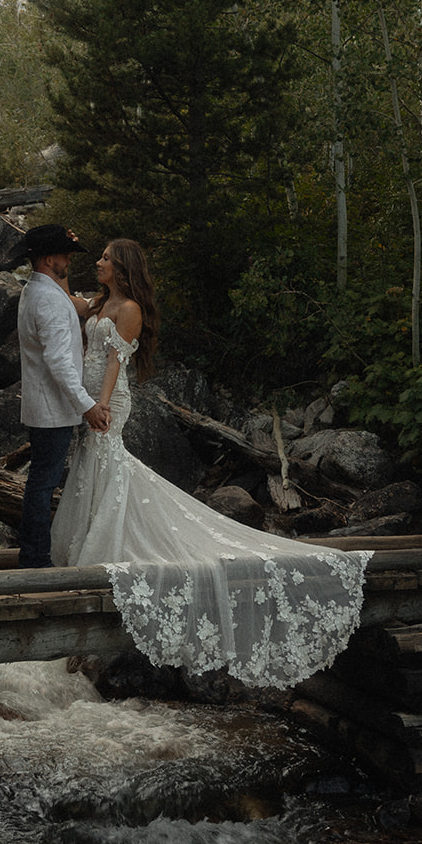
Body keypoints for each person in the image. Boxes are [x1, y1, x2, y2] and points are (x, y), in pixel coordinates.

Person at [51, 238, 373, 689]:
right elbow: (69, 299)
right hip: (86, 399)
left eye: (105, 258)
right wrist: (52, 265)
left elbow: (113, 364)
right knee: (92, 466)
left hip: (108, 399)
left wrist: (101, 405)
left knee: (107, 462)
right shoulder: (102, 302)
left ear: (123, 267)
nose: (99, 263)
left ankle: (112, 540)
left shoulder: (130, 311)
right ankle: (94, 534)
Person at [17, 224, 111, 568]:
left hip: (44, 405)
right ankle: (35, 558)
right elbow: (58, 363)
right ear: (47, 258)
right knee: (43, 485)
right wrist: (87, 406)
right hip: (52, 408)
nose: (69, 259)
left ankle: (33, 552)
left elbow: (78, 307)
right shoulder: (48, 300)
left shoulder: (36, 291)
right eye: (64, 254)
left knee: (41, 482)